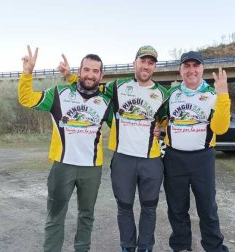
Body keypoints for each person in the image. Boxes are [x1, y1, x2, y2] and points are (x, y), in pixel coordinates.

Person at [61, 45, 167, 252]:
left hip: (151, 159)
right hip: (123, 158)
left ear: (154, 67)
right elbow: (91, 87)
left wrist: (161, 130)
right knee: (124, 207)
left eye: (150, 62)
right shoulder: (117, 86)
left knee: (149, 206)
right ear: (134, 63)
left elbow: (166, 121)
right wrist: (69, 76)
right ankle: (127, 246)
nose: (146, 66)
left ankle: (145, 247)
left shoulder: (162, 93)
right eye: (142, 61)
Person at [18, 45, 112, 252]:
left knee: (86, 215)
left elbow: (123, 127)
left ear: (101, 74)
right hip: (63, 165)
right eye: (86, 70)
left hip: (92, 169)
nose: (90, 75)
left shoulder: (106, 101)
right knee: (55, 216)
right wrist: (27, 73)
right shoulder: (58, 94)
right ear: (80, 72)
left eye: (95, 71)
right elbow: (26, 99)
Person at [158, 51, 230, 252]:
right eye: (186, 66)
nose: (191, 70)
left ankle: (214, 247)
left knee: (207, 208)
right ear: (180, 70)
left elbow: (221, 128)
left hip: (202, 158)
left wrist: (223, 94)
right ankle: (181, 246)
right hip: (174, 158)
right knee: (177, 208)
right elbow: (159, 119)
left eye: (195, 66)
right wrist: (157, 128)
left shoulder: (213, 95)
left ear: (202, 68)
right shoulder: (171, 95)